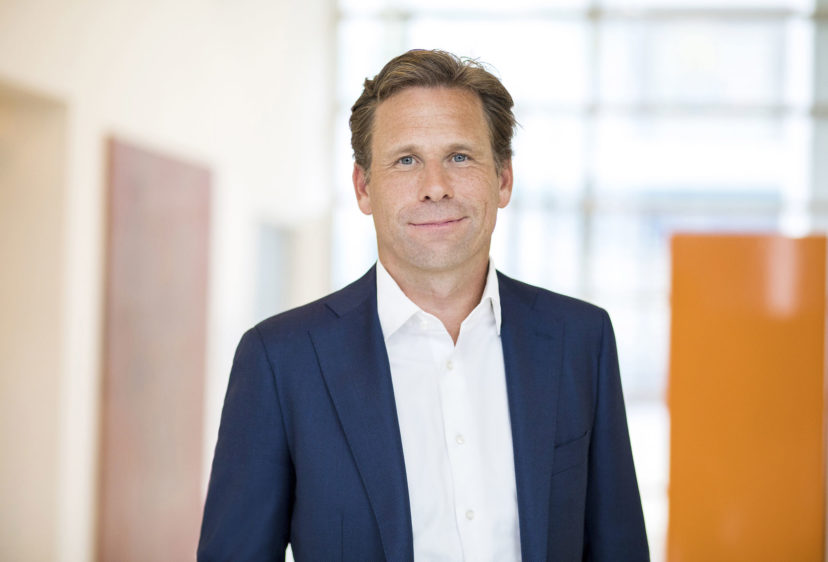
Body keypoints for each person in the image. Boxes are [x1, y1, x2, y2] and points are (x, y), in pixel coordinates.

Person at [197, 49, 649, 561]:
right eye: (406, 160)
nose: (435, 187)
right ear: (363, 188)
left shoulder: (580, 340)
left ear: (503, 178)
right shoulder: (282, 360)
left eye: (460, 157)